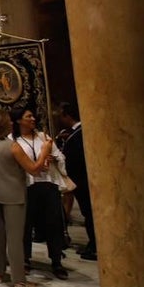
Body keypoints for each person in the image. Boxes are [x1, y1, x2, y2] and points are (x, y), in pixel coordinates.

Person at [0, 109, 52, 287]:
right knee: (15, 238)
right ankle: (19, 280)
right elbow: (33, 169)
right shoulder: (12, 146)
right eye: (8, 121)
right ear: (2, 124)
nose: (11, 123)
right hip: (13, 196)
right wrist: (44, 151)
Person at [11, 108, 69, 279]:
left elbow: (60, 156)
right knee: (26, 224)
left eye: (32, 116)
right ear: (18, 121)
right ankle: (25, 259)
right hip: (27, 186)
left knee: (53, 223)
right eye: (28, 117)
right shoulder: (13, 140)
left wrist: (53, 158)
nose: (32, 119)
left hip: (48, 184)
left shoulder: (44, 137)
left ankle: (56, 260)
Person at [58, 101, 96, 260]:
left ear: (67, 116)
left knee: (89, 213)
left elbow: (77, 159)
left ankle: (94, 246)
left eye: (61, 115)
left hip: (82, 180)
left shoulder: (79, 134)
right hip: (81, 180)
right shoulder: (73, 133)